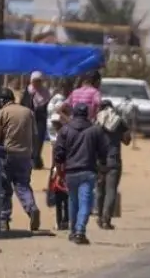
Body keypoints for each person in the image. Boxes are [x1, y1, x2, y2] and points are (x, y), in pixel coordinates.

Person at [54, 103, 108, 245]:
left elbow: (59, 152)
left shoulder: (65, 130)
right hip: (88, 171)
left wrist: (59, 170)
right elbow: (103, 151)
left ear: (74, 113)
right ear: (87, 114)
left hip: (70, 172)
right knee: (85, 202)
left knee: (73, 202)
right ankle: (80, 231)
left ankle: (73, 231)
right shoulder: (95, 130)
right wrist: (102, 168)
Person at [0, 88, 41, 232]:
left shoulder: (1, 113)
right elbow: (35, 134)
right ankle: (32, 208)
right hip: (25, 156)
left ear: (2, 100)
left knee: (5, 189)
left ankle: (3, 220)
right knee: (23, 185)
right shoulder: (28, 112)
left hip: (6, 155)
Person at [95, 100, 130, 230]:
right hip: (114, 160)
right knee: (111, 191)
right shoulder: (119, 121)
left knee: (100, 190)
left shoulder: (97, 122)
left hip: (99, 161)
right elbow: (127, 140)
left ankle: (99, 217)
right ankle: (106, 220)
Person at [26, 71, 52, 170]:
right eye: (34, 81)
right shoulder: (28, 91)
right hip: (29, 119)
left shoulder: (45, 92)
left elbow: (47, 105)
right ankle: (32, 159)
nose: (36, 83)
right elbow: (24, 104)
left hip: (40, 119)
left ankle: (36, 158)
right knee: (30, 139)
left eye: (38, 81)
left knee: (39, 139)